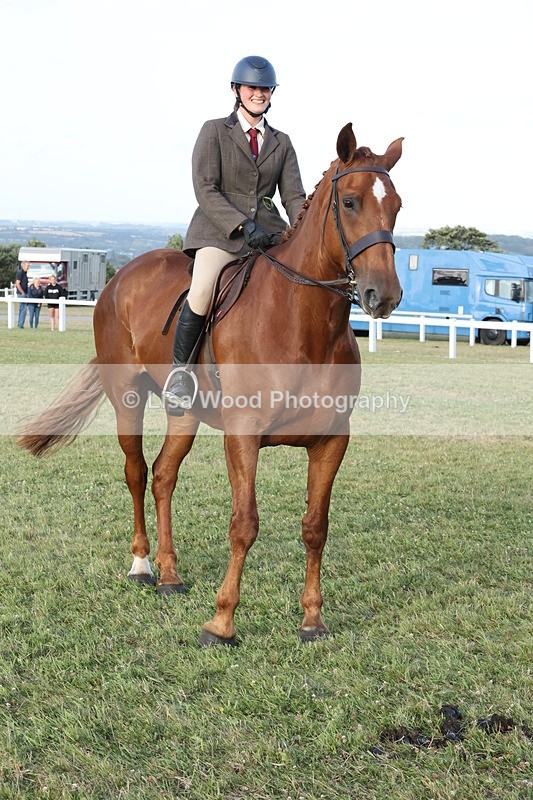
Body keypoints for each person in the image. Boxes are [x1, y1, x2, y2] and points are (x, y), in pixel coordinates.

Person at [162, 55, 306, 415]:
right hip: (220, 232)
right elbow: (205, 188)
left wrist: (302, 230)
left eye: (264, 89)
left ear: (272, 93)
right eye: (252, 88)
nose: (258, 94)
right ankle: (181, 376)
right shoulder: (214, 131)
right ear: (236, 90)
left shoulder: (282, 142)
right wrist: (243, 224)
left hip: (269, 234)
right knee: (204, 285)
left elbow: (293, 196)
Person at [15, 261, 30, 328]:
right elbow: (17, 283)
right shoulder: (20, 273)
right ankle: (20, 325)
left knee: (22, 309)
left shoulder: (25, 273)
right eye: (27, 266)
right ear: (23, 266)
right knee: (23, 309)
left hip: (25, 293)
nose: (28, 267)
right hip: (22, 294)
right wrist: (22, 292)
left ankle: (20, 324)